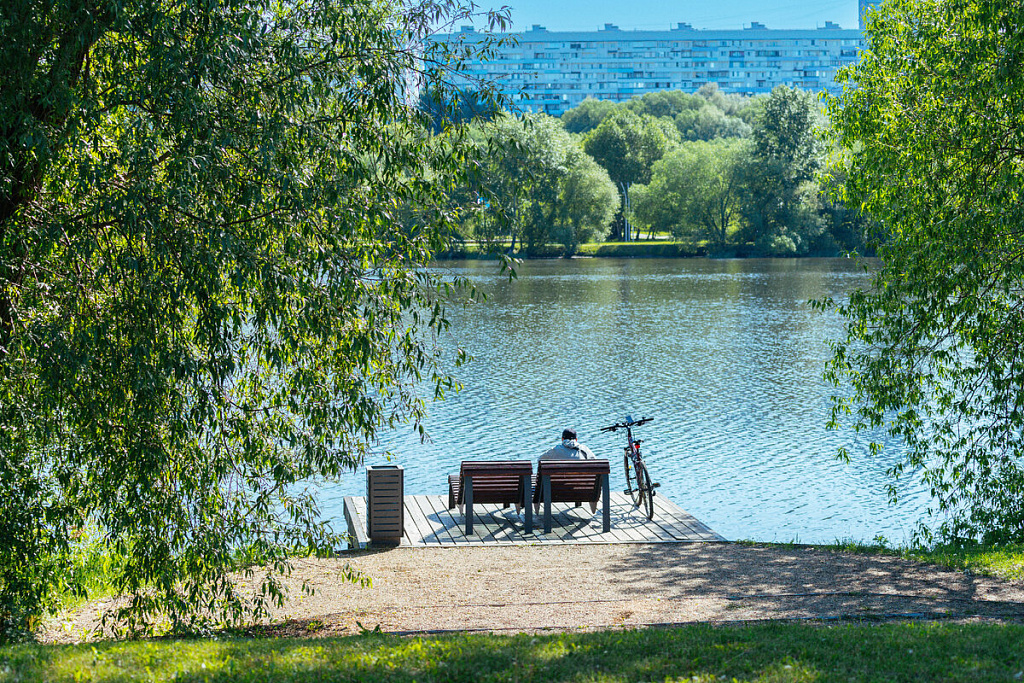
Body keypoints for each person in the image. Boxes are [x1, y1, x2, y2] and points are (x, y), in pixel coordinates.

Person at [536, 428, 598, 513]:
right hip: (582, 490)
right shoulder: (584, 449)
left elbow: (540, 460)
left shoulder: (555, 450)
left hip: (555, 491)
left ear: (562, 439)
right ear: (576, 439)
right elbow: (595, 463)